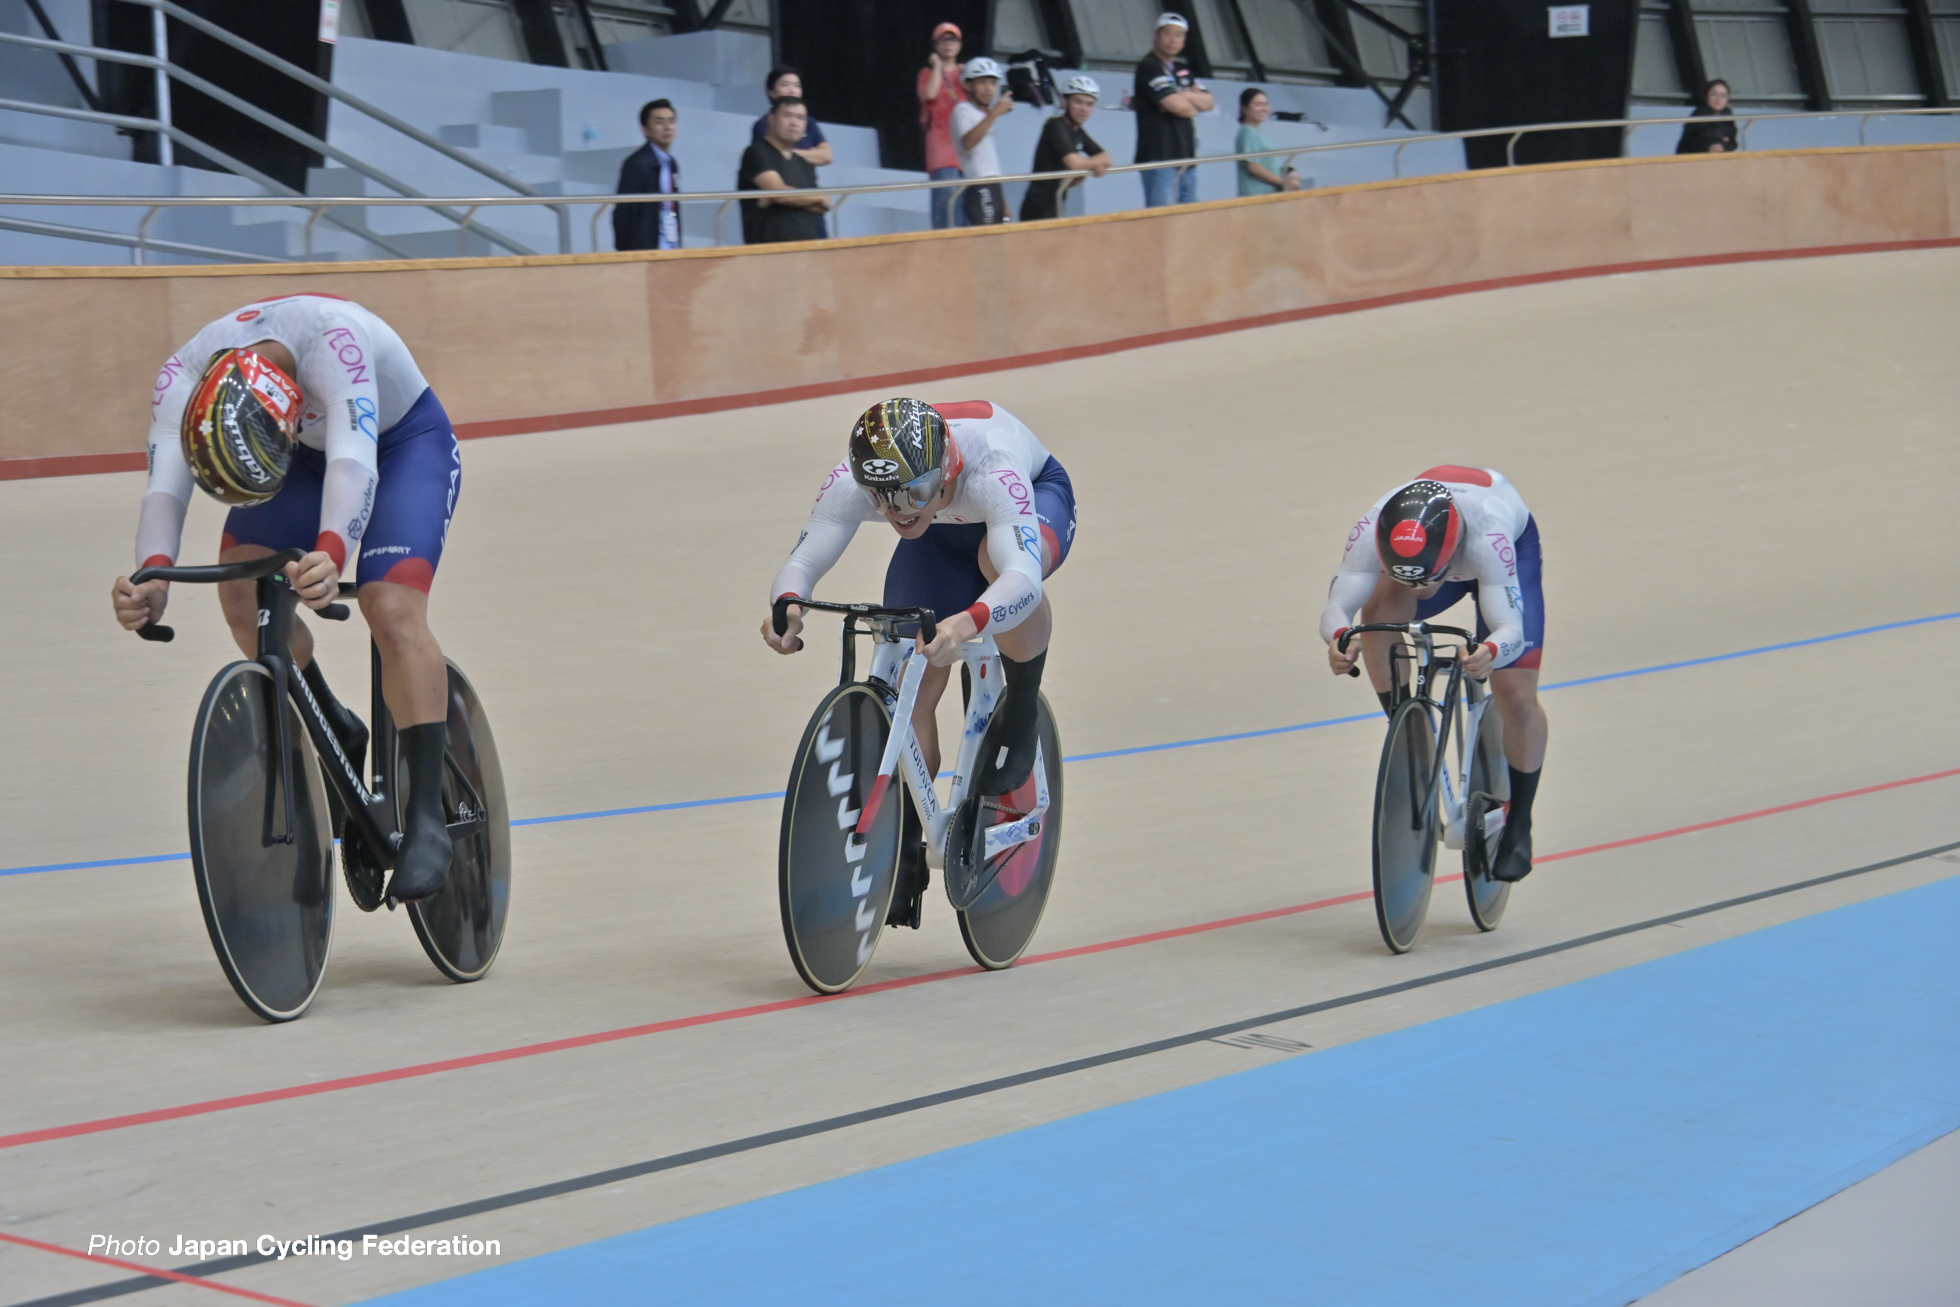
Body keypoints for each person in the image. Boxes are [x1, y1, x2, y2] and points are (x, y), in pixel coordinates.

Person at [109, 295, 463, 902]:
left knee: (388, 605)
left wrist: (331, 551)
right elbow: (163, 489)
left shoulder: (334, 341)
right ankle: (332, 721)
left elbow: (354, 460)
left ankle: (428, 814)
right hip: (302, 456)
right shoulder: (184, 375)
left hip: (404, 444)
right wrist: (153, 575)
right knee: (242, 587)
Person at [762, 398, 1076, 929]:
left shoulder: (992, 471)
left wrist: (967, 624)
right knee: (915, 672)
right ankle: (909, 828)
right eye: (881, 499)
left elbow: (1020, 580)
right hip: (942, 529)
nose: (898, 511)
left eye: (914, 493)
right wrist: (788, 604)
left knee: (993, 562)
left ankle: (1020, 711)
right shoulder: (866, 482)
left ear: (946, 469)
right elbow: (803, 559)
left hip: (1031, 501)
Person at [1319, 468, 1548, 884]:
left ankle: (1520, 822)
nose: (1419, 590)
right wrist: (1339, 640)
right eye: (1409, 578)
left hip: (1504, 561)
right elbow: (1337, 608)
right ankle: (1406, 729)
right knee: (1376, 617)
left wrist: (1491, 652)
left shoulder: (1489, 537)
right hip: (1441, 557)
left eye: (1426, 580)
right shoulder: (1371, 528)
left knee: (1514, 692)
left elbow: (1510, 629)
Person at [1133, 12, 1212, 208]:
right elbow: (1177, 107)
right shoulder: (1149, 67)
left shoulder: (1182, 69)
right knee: (1162, 219)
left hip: (1186, 156)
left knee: (1189, 217)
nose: (1172, 40)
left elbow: (1209, 102)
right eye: (1167, 33)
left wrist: (1183, 96)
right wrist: (1191, 103)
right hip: (1159, 157)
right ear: (1156, 36)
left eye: (1178, 35)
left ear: (1184, 40)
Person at [738, 97, 830, 244]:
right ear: (771, 119)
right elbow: (781, 195)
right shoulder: (756, 152)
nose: (794, 123)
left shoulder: (802, 161)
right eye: (787, 116)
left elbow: (823, 205)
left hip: (809, 247)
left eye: (800, 118)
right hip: (770, 248)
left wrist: (794, 197)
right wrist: (815, 196)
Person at [1021, 74, 1111, 223]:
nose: (1083, 109)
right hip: (1038, 204)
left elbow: (1106, 158)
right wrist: (1093, 165)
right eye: (1078, 102)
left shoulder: (1077, 131)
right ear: (1064, 102)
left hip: (1057, 198)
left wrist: (1086, 167)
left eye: (1089, 104)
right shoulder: (1054, 125)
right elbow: (1073, 162)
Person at [917, 21, 970, 230]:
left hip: (966, 150)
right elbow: (929, 94)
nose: (948, 44)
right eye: (943, 39)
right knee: (947, 211)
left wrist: (968, 76)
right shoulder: (926, 73)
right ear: (935, 45)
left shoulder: (967, 74)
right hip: (942, 151)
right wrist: (938, 67)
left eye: (953, 39)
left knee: (968, 213)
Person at [950, 57, 1013, 226]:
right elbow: (968, 143)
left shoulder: (984, 116)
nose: (988, 88)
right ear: (968, 85)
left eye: (993, 83)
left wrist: (1003, 201)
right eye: (982, 82)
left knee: (998, 238)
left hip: (994, 187)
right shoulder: (962, 109)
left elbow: (990, 162)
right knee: (986, 239)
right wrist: (994, 113)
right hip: (979, 186)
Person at [613, 99, 681, 252]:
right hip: (647, 249)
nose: (667, 127)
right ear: (645, 130)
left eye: (671, 121)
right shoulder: (637, 164)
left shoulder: (672, 164)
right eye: (659, 122)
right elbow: (624, 213)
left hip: (671, 245)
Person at [749, 67, 832, 166]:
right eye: (785, 85)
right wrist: (811, 153)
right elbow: (773, 157)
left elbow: (827, 156)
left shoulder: (809, 122)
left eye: (797, 86)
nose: (792, 91)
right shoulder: (764, 124)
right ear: (772, 92)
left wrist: (789, 153)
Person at [1235, 88, 1298, 196]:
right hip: (1257, 196)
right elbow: (1253, 167)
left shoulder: (1257, 133)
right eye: (1258, 105)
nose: (1264, 109)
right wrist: (1281, 182)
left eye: (1266, 104)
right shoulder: (1248, 132)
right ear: (1244, 108)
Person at [1677, 78, 1739, 155]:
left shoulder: (1727, 114)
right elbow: (1692, 141)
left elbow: (1733, 143)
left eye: (1723, 96)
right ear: (1706, 96)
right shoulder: (1700, 113)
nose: (1718, 99)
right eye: (1713, 94)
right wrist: (1709, 147)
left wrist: (1723, 147)